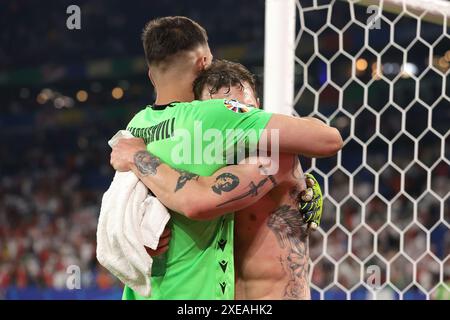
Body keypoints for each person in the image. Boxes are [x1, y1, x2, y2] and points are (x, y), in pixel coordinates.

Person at [109, 16, 342, 300]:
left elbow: (326, 138)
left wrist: (299, 183)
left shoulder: (271, 151)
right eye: (225, 107)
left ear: (257, 108)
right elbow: (169, 203)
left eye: (244, 108)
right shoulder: (202, 144)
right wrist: (144, 231)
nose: (235, 113)